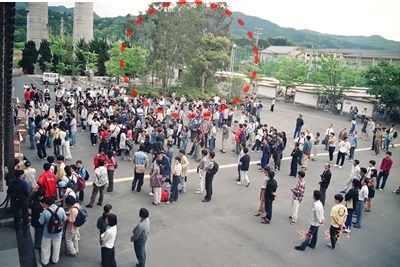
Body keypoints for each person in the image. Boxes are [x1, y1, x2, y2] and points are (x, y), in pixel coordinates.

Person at [38, 197, 67, 265]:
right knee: (56, 246)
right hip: (58, 232)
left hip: (47, 233)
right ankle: (55, 259)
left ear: (47, 204)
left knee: (45, 247)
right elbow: (64, 219)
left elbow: (41, 223)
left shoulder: (45, 212)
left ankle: (45, 261)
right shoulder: (61, 210)